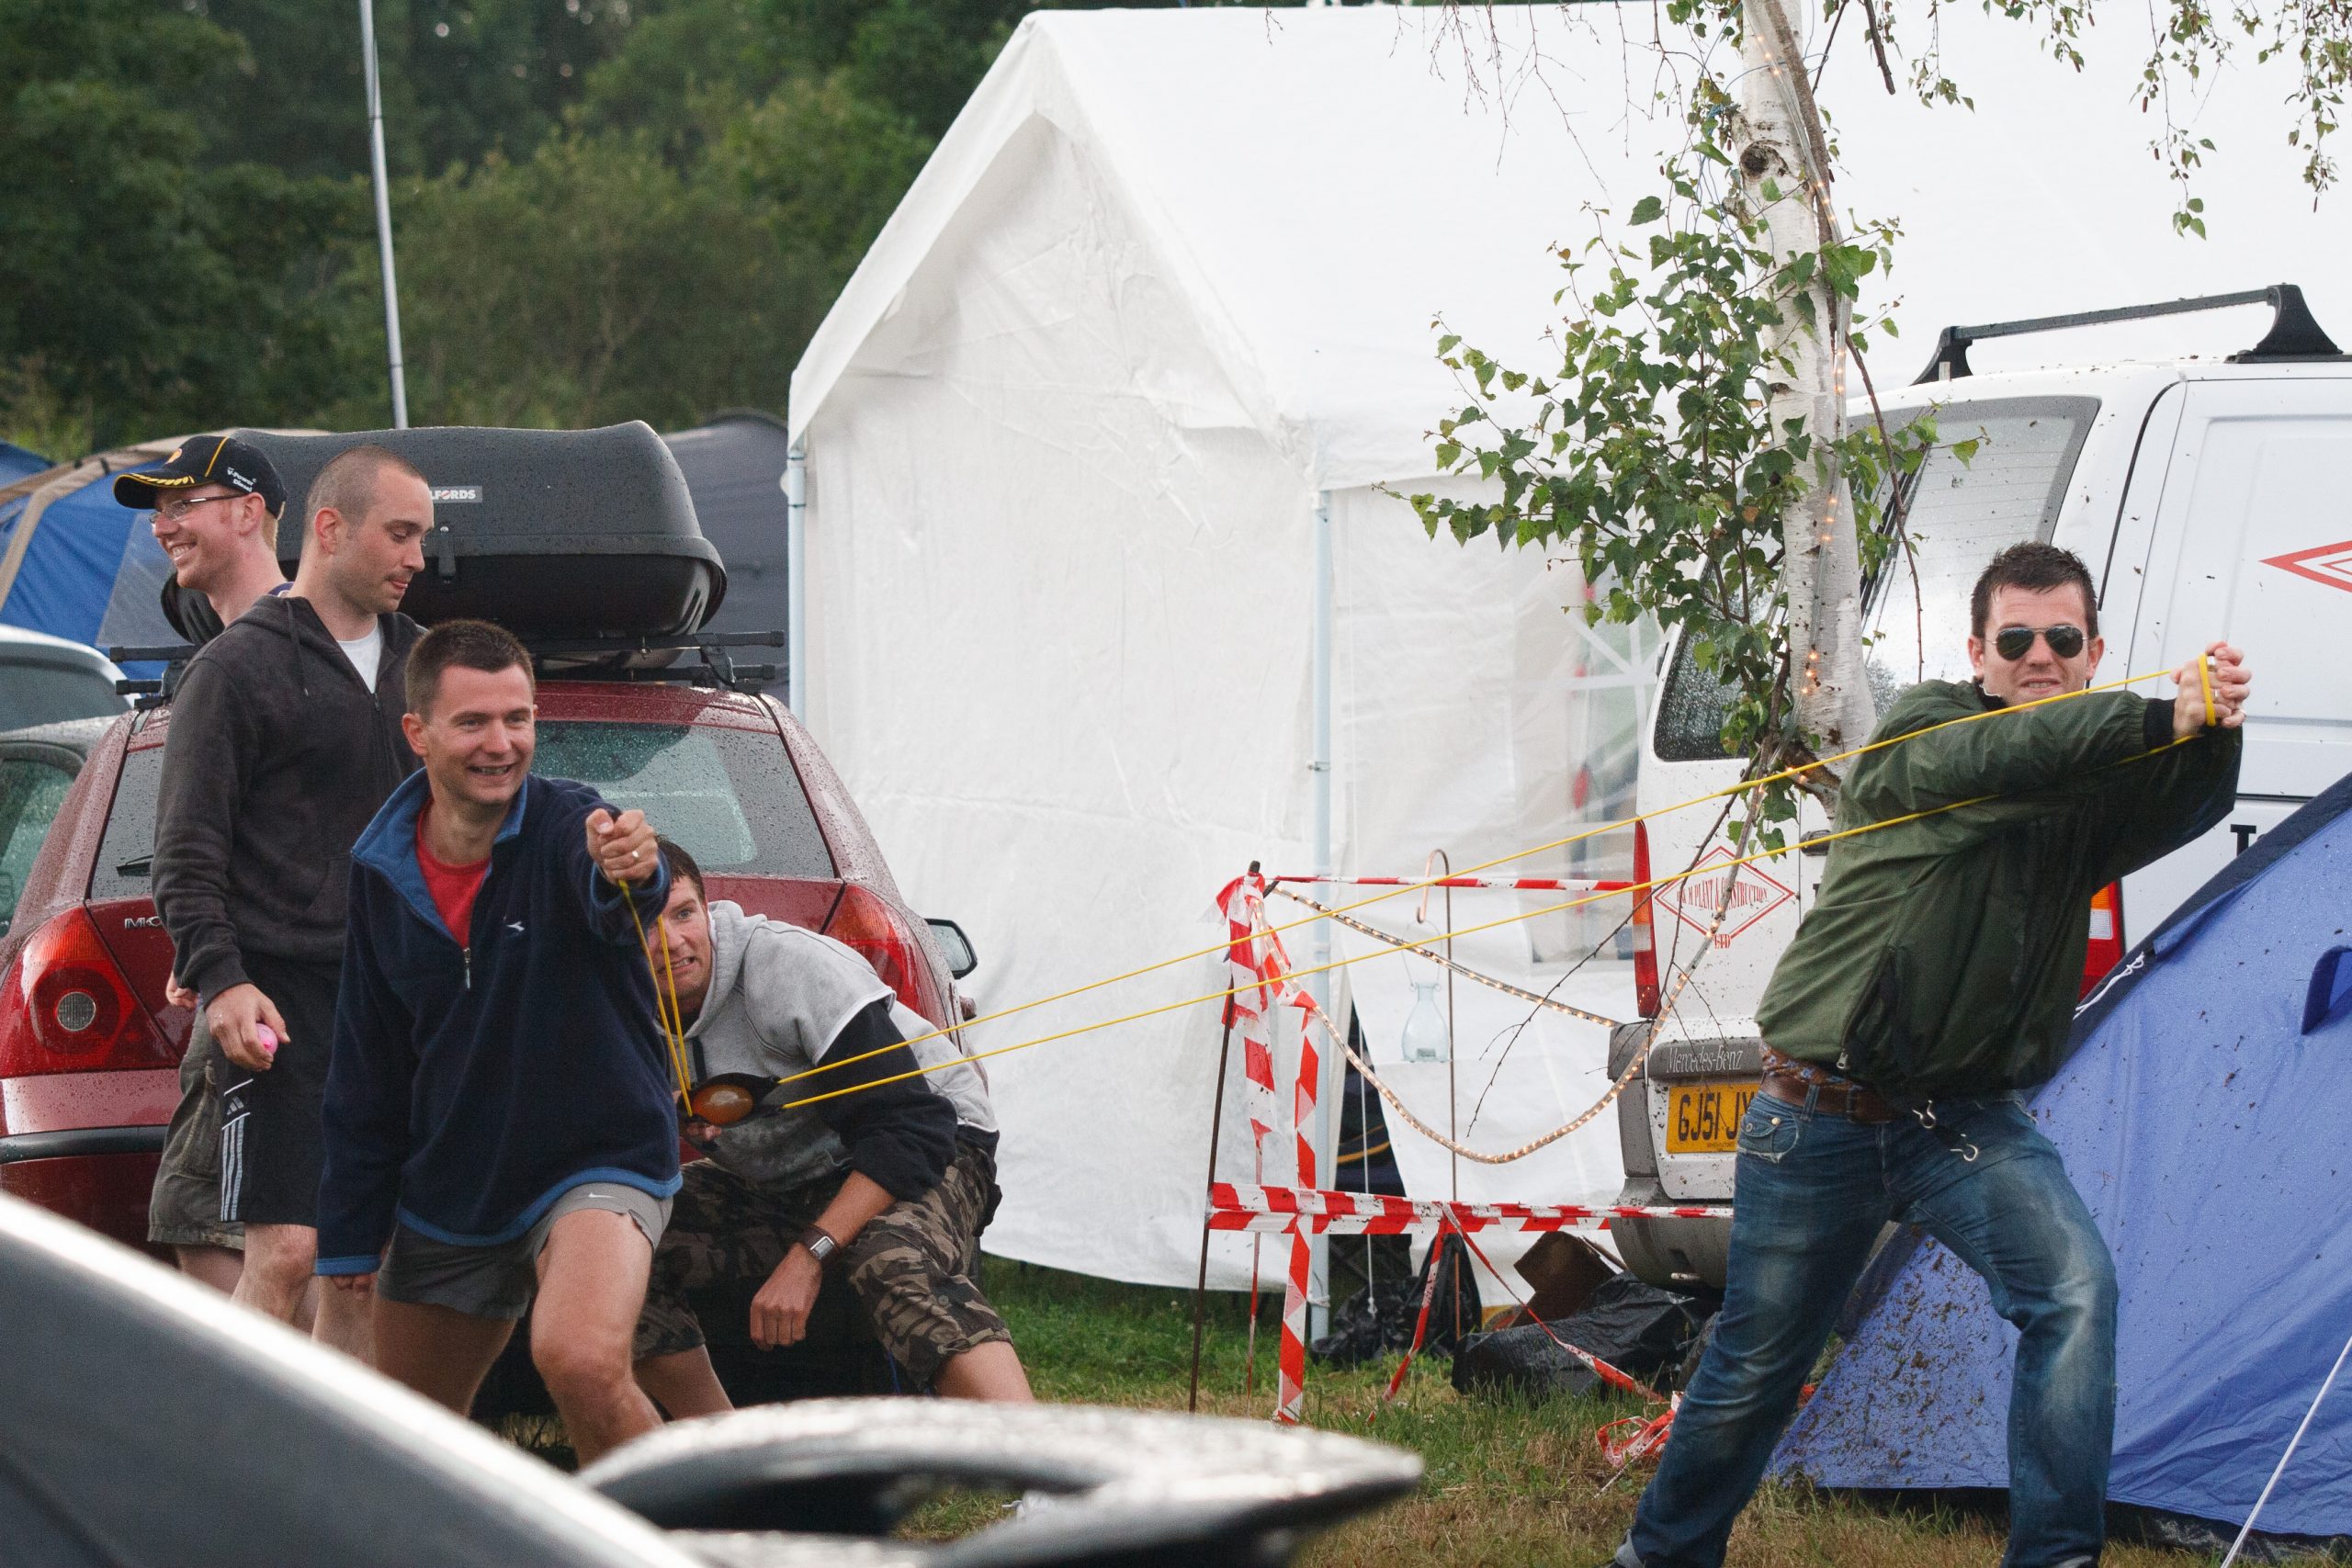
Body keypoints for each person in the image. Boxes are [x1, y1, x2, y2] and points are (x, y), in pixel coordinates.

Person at [1602, 542, 2251, 1568]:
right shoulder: (1921, 734)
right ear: (1977, 651)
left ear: (2092, 652)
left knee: (2075, 1295)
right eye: (2017, 639)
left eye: (2063, 639)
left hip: (1962, 1123)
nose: (2040, 655)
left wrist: (2212, 726)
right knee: (1758, 1366)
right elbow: (1997, 761)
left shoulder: (2076, 793)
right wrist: (2147, 718)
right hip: (1815, 1116)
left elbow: (2183, 806)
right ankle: (1660, 1560)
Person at [315, 618, 682, 1466]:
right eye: (475, 722)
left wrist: (635, 867)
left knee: (580, 1357)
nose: (502, 743)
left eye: (519, 718)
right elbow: (367, 1071)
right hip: (455, 1185)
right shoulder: (377, 872)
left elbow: (619, 889)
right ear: (418, 733)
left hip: (596, 1157)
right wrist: (348, 1235)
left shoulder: (570, 826)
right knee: (397, 1447)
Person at [148, 444, 432, 1357]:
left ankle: (349, 1478)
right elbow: (185, 850)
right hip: (285, 997)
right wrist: (220, 972)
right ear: (328, 526)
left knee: (363, 1261)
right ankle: (216, 1468)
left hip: (404, 999)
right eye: (401, 534)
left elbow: (485, 821)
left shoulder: (424, 663)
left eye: (422, 538)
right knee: (287, 1249)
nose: (417, 557)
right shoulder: (236, 666)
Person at [631, 840, 1033, 1412]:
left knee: (891, 1259)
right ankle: (739, 1470)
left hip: (937, 1141)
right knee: (625, 1240)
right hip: (787, 1174)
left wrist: (809, 1255)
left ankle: (1043, 1483)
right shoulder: (612, 1006)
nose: (671, 942)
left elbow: (915, 1127)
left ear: (706, 906)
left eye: (683, 913)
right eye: (643, 924)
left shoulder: (788, 967)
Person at [114, 434, 293, 1295]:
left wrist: (222, 966)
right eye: (159, 509)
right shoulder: (276, 643)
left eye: (182, 504)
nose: (162, 525)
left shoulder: (266, 652)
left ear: (249, 511)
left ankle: (294, 1424)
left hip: (264, 1001)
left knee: (217, 1234)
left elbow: (192, 852)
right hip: (257, 983)